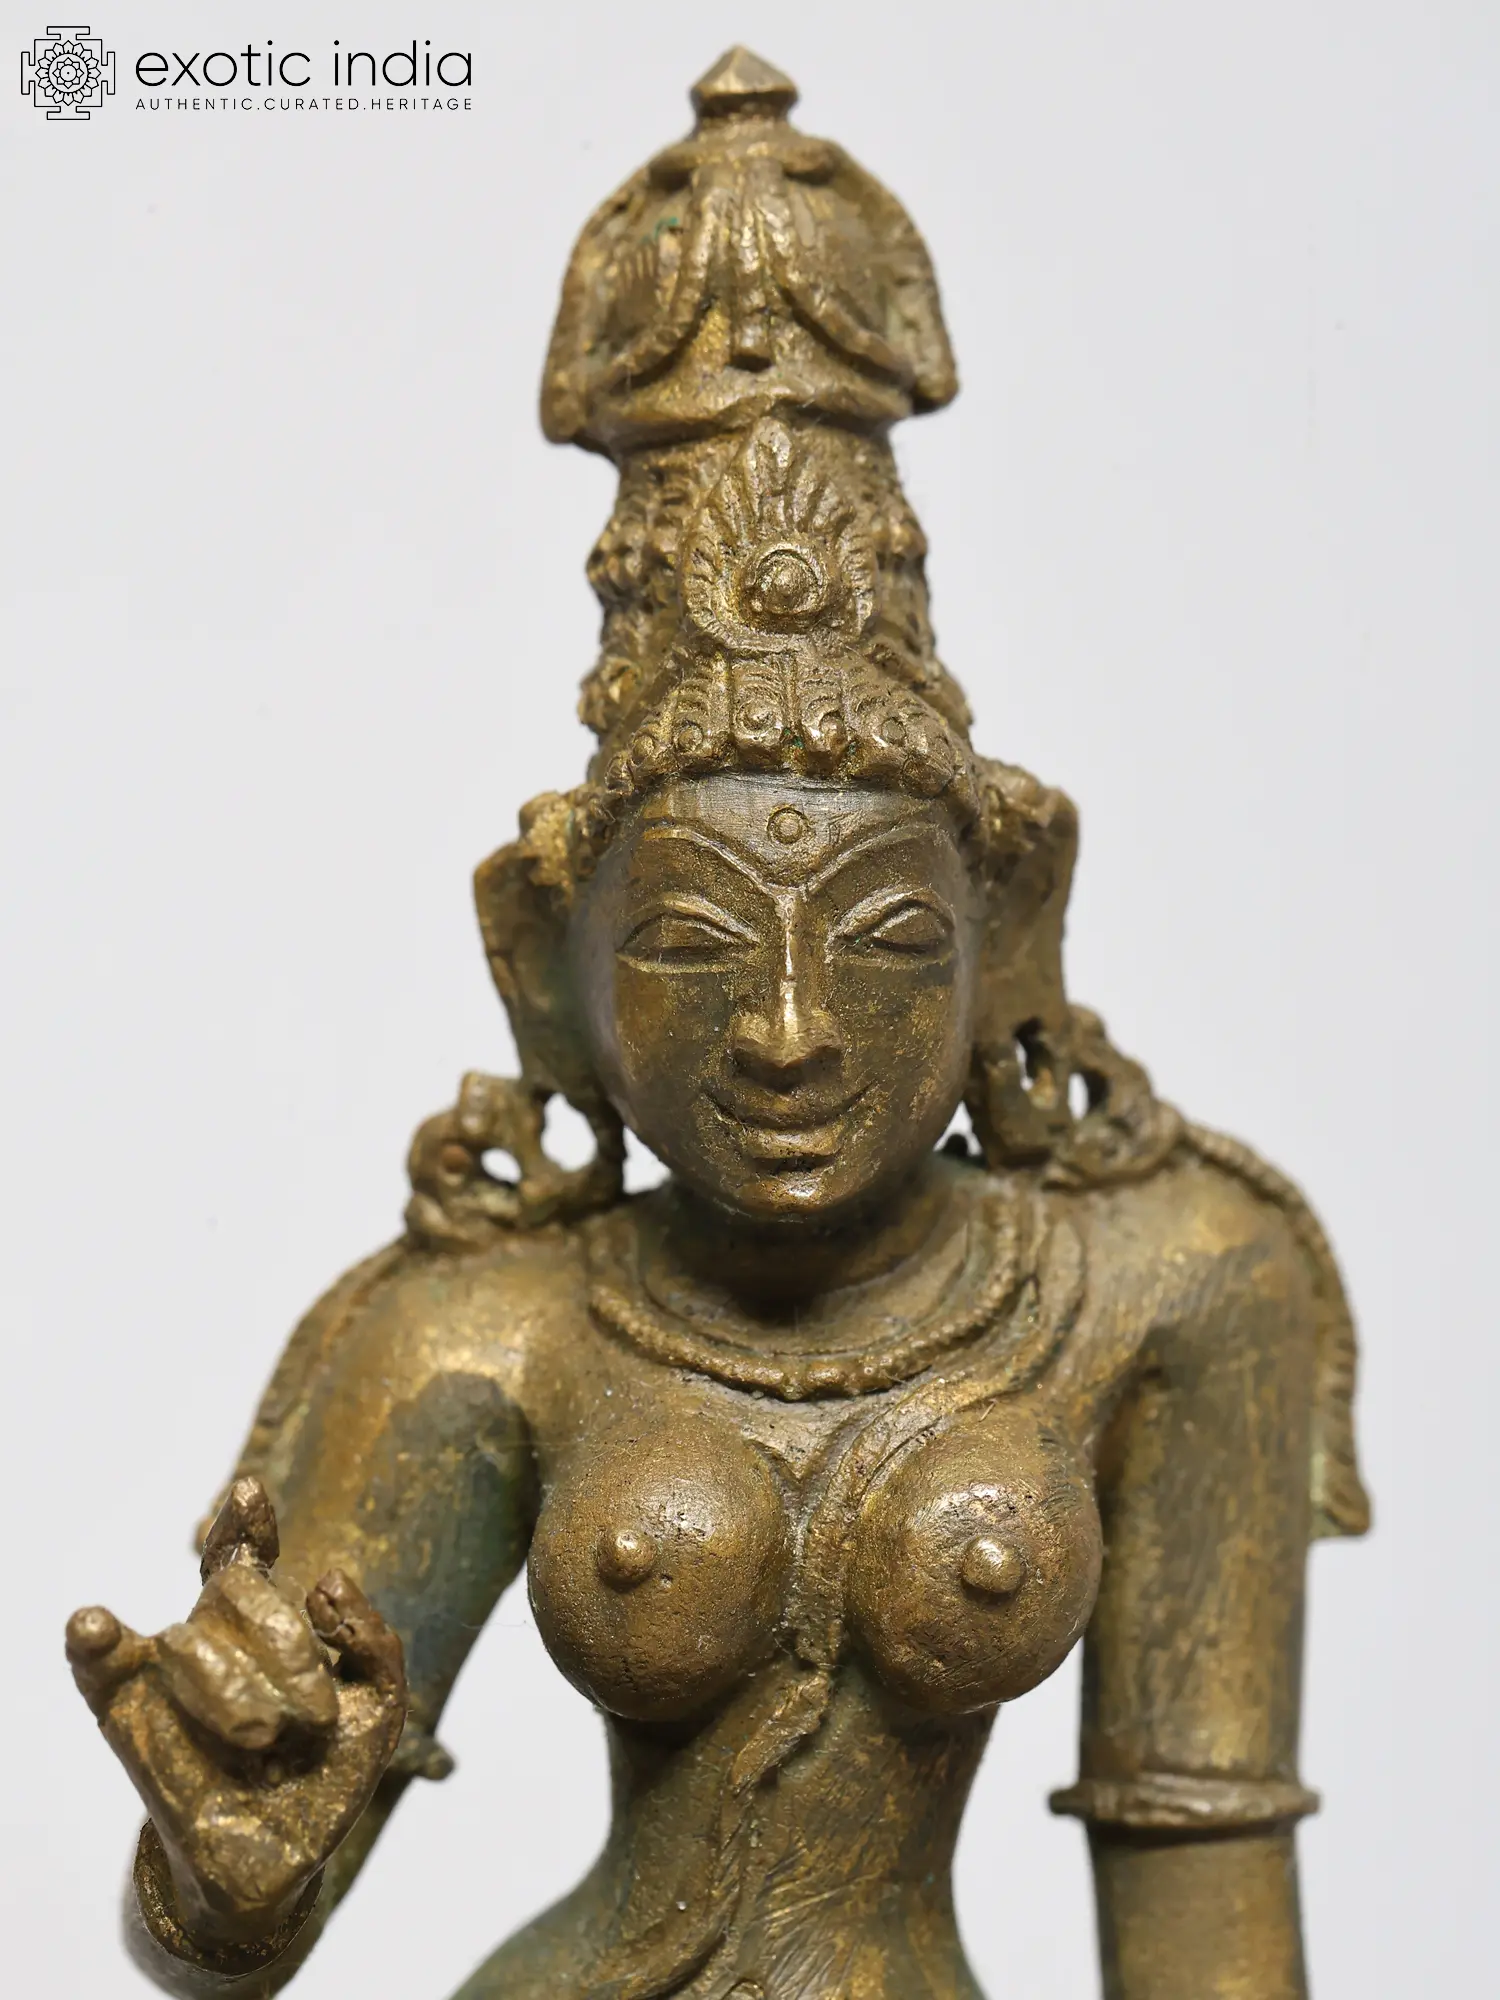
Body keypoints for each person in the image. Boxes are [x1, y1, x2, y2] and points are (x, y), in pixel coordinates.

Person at [66, 49, 1367, 2000]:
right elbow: (225, 1936)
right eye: (688, 942)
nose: (786, 1031)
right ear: (543, 961)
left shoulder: (1176, 1284)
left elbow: (1207, 1903)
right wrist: (222, 1862)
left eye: (884, 939)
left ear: (1012, 927)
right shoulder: (479, 1332)